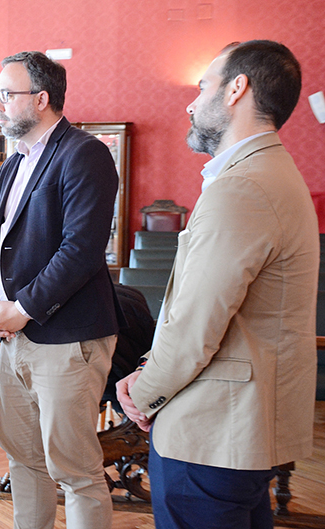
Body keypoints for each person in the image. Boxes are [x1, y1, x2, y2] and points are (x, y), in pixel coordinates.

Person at [116, 40, 318, 529]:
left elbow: (195, 323)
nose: (191, 103)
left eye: (202, 86)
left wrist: (144, 394)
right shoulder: (271, 172)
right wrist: (148, 368)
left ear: (236, 89)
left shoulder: (242, 186)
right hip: (240, 427)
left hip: (210, 431)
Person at [0, 51, 124, 529]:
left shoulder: (84, 153)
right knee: (23, 459)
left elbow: (81, 250)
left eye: (7, 94)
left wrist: (22, 308)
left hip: (67, 337)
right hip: (13, 336)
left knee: (75, 470)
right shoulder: (12, 163)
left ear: (41, 99)